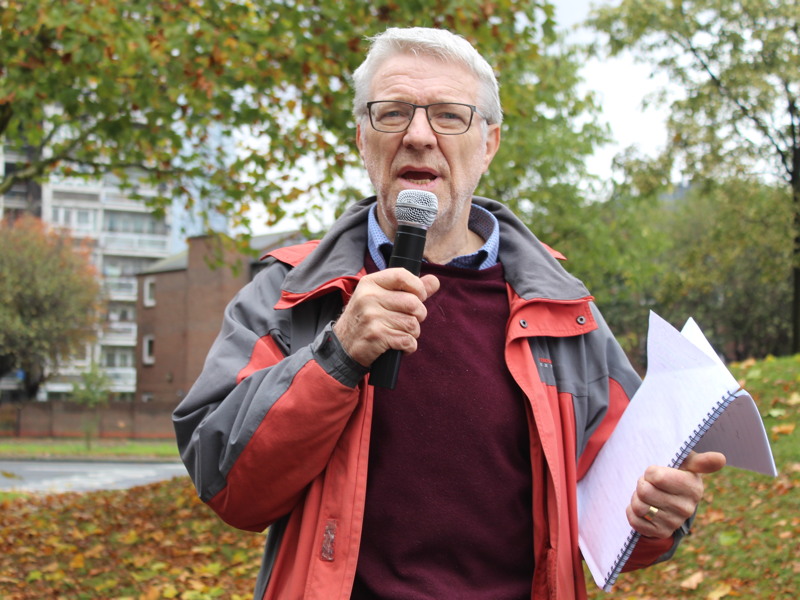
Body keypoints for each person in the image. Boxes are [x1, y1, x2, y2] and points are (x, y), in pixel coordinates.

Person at [173, 26, 725, 600]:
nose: (417, 136)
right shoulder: (289, 292)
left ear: (488, 143)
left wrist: (657, 520)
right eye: (392, 114)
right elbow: (227, 484)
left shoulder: (561, 309)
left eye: (448, 115)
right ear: (363, 138)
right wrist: (336, 356)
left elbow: (624, 500)